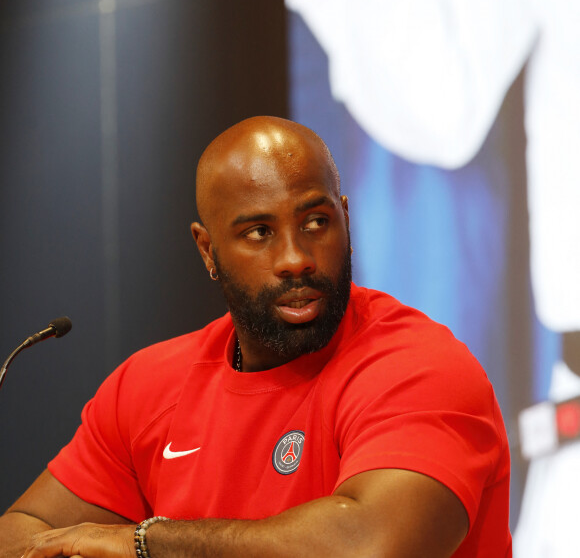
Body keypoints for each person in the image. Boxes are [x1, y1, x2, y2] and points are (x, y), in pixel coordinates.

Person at [1, 116, 511, 557]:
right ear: (207, 250)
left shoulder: (418, 366)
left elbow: (367, 544)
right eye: (259, 232)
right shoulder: (148, 385)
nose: (296, 258)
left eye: (316, 221)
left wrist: (146, 544)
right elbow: (20, 534)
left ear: (346, 218)